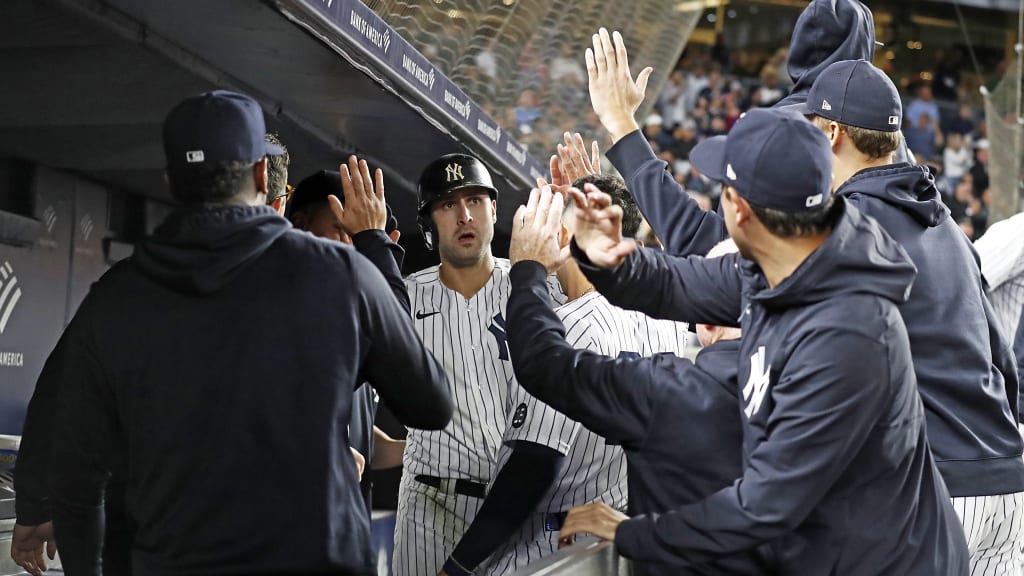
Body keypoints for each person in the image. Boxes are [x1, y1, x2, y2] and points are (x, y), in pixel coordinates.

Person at [46, 90, 453, 576]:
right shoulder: (341, 274)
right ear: (263, 174)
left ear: (172, 181)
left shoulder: (113, 298)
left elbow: (75, 480)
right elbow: (430, 403)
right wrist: (374, 247)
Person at [558, 106, 969, 574]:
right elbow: (675, 283)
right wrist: (606, 260)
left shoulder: (850, 335)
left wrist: (635, 533)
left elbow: (764, 506)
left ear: (740, 210)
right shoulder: (782, 260)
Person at [11, 129, 296, 576]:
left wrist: (34, 506)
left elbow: (61, 399)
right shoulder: (310, 295)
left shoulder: (132, 284)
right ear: (279, 204)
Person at [797, 60, 1024, 571]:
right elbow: (1001, 360)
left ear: (832, 132)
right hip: (1007, 485)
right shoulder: (945, 224)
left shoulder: (846, 224)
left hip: (937, 492)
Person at [441, 174, 689, 576]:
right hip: (614, 539)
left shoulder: (569, 327)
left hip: (548, 545)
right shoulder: (663, 319)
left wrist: (456, 565)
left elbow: (534, 466)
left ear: (561, 233)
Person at [506, 229, 768, 576]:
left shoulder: (668, 390)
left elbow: (543, 362)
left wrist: (528, 271)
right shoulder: (826, 392)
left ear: (704, 317)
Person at [394, 153, 564, 576]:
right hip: (428, 509)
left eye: (474, 199)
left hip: (520, 509)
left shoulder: (536, 289)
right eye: (448, 204)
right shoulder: (403, 299)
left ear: (493, 209)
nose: (464, 215)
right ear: (429, 223)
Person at [286, 165, 409, 513]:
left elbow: (358, 434)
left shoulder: (347, 312)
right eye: (342, 231)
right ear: (300, 226)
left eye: (362, 237)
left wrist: (416, 448)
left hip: (346, 524)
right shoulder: (286, 310)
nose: (353, 247)